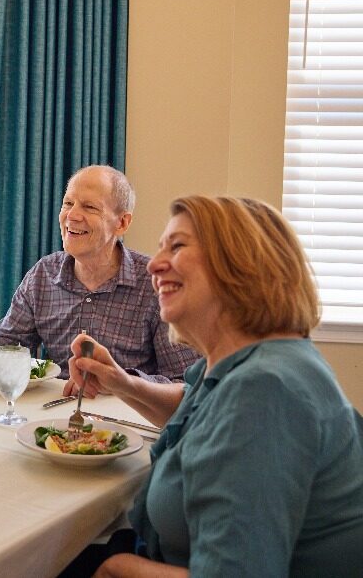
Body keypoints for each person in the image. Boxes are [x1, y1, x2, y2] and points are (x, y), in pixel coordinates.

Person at [66, 196, 363, 577]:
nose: (154, 265)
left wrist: (118, 567)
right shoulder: (246, 360)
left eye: (177, 246)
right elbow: (195, 410)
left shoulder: (264, 389)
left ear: (242, 263)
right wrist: (120, 382)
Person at [0, 165, 197, 395]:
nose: (72, 216)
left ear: (122, 223)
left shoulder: (156, 283)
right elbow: (3, 351)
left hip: (128, 421)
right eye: (68, 203)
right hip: (51, 418)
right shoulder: (43, 274)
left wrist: (118, 381)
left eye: (90, 207)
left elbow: (185, 382)